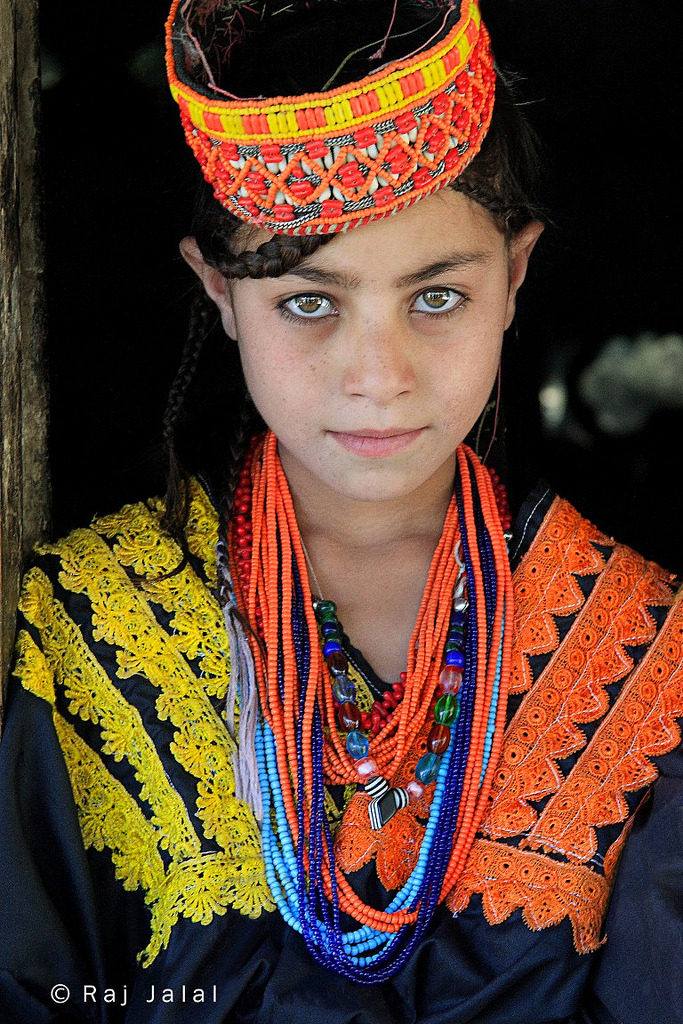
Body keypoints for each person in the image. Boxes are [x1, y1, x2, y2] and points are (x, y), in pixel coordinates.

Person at [0, 1, 681, 1021]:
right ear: (219, 292)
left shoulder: (644, 652)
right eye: (308, 301)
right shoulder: (86, 635)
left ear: (514, 277)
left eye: (436, 297)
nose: (377, 376)